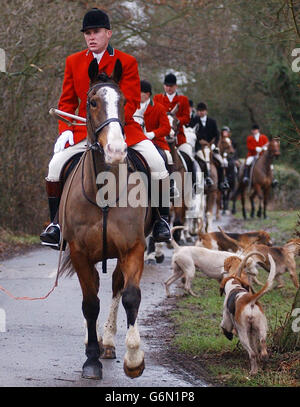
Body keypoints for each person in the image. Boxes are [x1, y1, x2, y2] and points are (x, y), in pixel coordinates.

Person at [40, 8, 172, 248]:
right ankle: (56, 225)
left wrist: (114, 126)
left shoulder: (127, 61)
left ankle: (162, 220)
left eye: (96, 32)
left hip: (124, 128)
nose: (91, 37)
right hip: (84, 130)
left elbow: (130, 101)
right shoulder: (73, 62)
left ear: (108, 33)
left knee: (157, 162)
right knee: (55, 166)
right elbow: (67, 102)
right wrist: (65, 129)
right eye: (87, 33)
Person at [153, 73, 201, 192]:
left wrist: (176, 121)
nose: (169, 88)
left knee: (190, 157)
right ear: (164, 86)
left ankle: (193, 184)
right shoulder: (157, 98)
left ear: (176, 87)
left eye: (171, 86)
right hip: (161, 138)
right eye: (167, 85)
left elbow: (187, 118)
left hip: (179, 138)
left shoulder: (183, 100)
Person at [133, 80, 178, 198]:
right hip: (133, 140)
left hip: (155, 142)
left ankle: (170, 185)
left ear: (147, 94)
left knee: (167, 156)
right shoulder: (131, 106)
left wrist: (152, 134)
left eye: (139, 92)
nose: (136, 94)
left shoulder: (158, 108)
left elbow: (166, 128)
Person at [191, 102, 229, 190]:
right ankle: (194, 182)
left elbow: (217, 135)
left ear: (206, 111)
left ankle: (222, 182)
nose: (201, 112)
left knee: (221, 161)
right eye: (199, 111)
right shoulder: (193, 121)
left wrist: (214, 145)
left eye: (202, 111)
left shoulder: (212, 121)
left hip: (211, 146)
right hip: (199, 147)